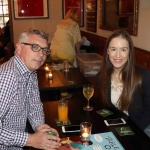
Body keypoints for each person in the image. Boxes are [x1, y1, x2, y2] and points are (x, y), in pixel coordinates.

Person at [0, 28, 61, 149]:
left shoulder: (29, 71)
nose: (41, 54)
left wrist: (41, 128)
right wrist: (32, 139)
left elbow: (34, 105)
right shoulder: (7, 77)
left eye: (44, 50)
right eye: (35, 47)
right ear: (19, 48)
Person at [97, 29, 150, 136]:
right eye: (113, 49)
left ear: (129, 52)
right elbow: (109, 108)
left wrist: (132, 130)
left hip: (143, 128)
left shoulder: (143, 75)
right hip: (119, 127)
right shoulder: (101, 77)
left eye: (123, 50)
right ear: (107, 51)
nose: (118, 55)